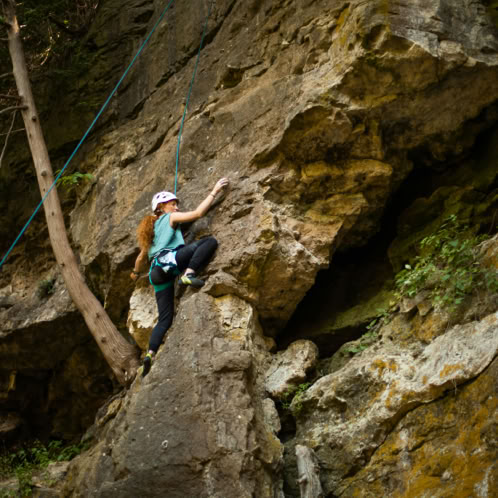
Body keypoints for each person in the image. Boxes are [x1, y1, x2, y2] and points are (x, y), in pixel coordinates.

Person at [131, 178, 228, 377]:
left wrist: (134, 273)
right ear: (161, 207)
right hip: (171, 261)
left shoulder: (150, 233)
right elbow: (198, 214)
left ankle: (150, 354)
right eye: (172, 204)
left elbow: (140, 259)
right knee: (209, 241)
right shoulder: (169, 218)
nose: (176, 207)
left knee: (165, 319)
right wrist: (215, 190)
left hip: (156, 274)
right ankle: (189, 274)